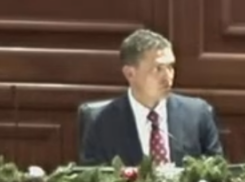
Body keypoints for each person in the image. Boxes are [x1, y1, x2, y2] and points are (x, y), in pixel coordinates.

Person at [81, 29, 224, 166]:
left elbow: (217, 176)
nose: (168, 77)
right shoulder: (100, 122)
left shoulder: (198, 114)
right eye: (158, 69)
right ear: (130, 73)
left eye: (170, 67)